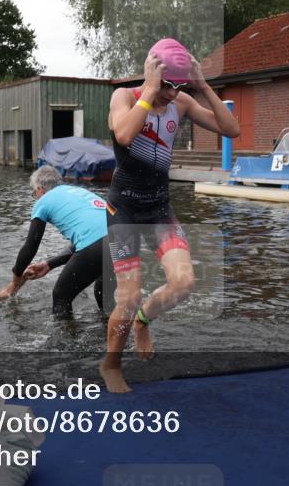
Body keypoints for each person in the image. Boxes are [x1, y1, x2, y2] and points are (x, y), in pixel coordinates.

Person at [100, 38, 240, 393]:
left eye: (177, 86)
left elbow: (231, 130)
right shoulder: (126, 97)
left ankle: (143, 322)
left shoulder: (182, 101)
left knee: (184, 283)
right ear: (152, 75)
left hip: (159, 207)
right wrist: (149, 90)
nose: (170, 93)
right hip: (125, 209)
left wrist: (202, 85)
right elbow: (124, 133)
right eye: (166, 85)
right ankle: (111, 364)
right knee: (128, 296)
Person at [0, 165, 116, 316]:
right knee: (103, 294)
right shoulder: (79, 192)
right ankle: (117, 334)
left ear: (40, 189)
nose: (35, 198)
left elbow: (30, 248)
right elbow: (85, 241)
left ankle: (65, 340)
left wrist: (15, 282)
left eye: (34, 193)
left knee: (61, 295)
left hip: (99, 243)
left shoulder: (44, 201)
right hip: (125, 239)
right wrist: (49, 264)